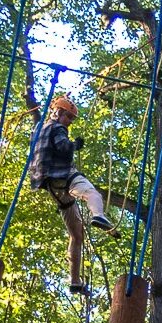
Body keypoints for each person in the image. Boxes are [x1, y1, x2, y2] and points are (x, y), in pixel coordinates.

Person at [30, 96, 116, 294]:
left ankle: (75, 281)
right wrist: (74, 145)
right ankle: (99, 216)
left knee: (76, 235)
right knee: (92, 193)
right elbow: (62, 145)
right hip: (62, 175)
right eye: (68, 117)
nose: (70, 121)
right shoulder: (58, 128)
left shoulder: (39, 130)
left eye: (71, 119)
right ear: (58, 113)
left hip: (50, 186)